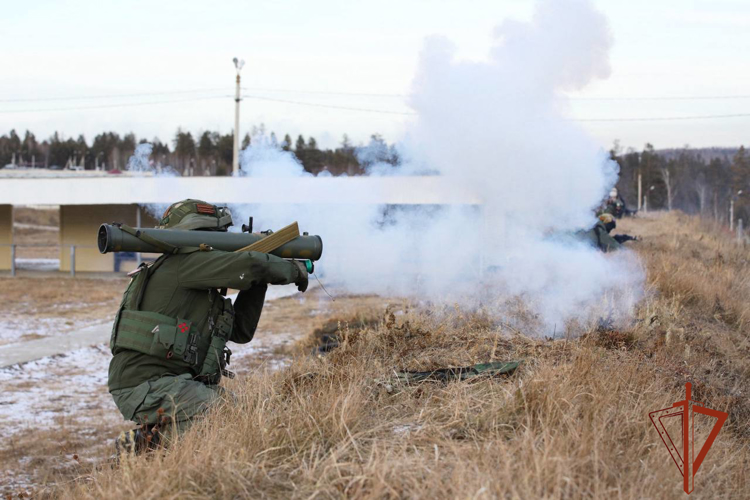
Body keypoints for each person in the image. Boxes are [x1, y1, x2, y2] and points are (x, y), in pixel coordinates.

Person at [109, 199, 308, 453]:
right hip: (145, 386)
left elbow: (240, 331)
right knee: (224, 417)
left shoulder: (196, 277)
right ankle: (144, 448)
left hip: (170, 381)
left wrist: (259, 281)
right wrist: (292, 269)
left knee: (244, 412)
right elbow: (250, 265)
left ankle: (154, 439)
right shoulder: (186, 264)